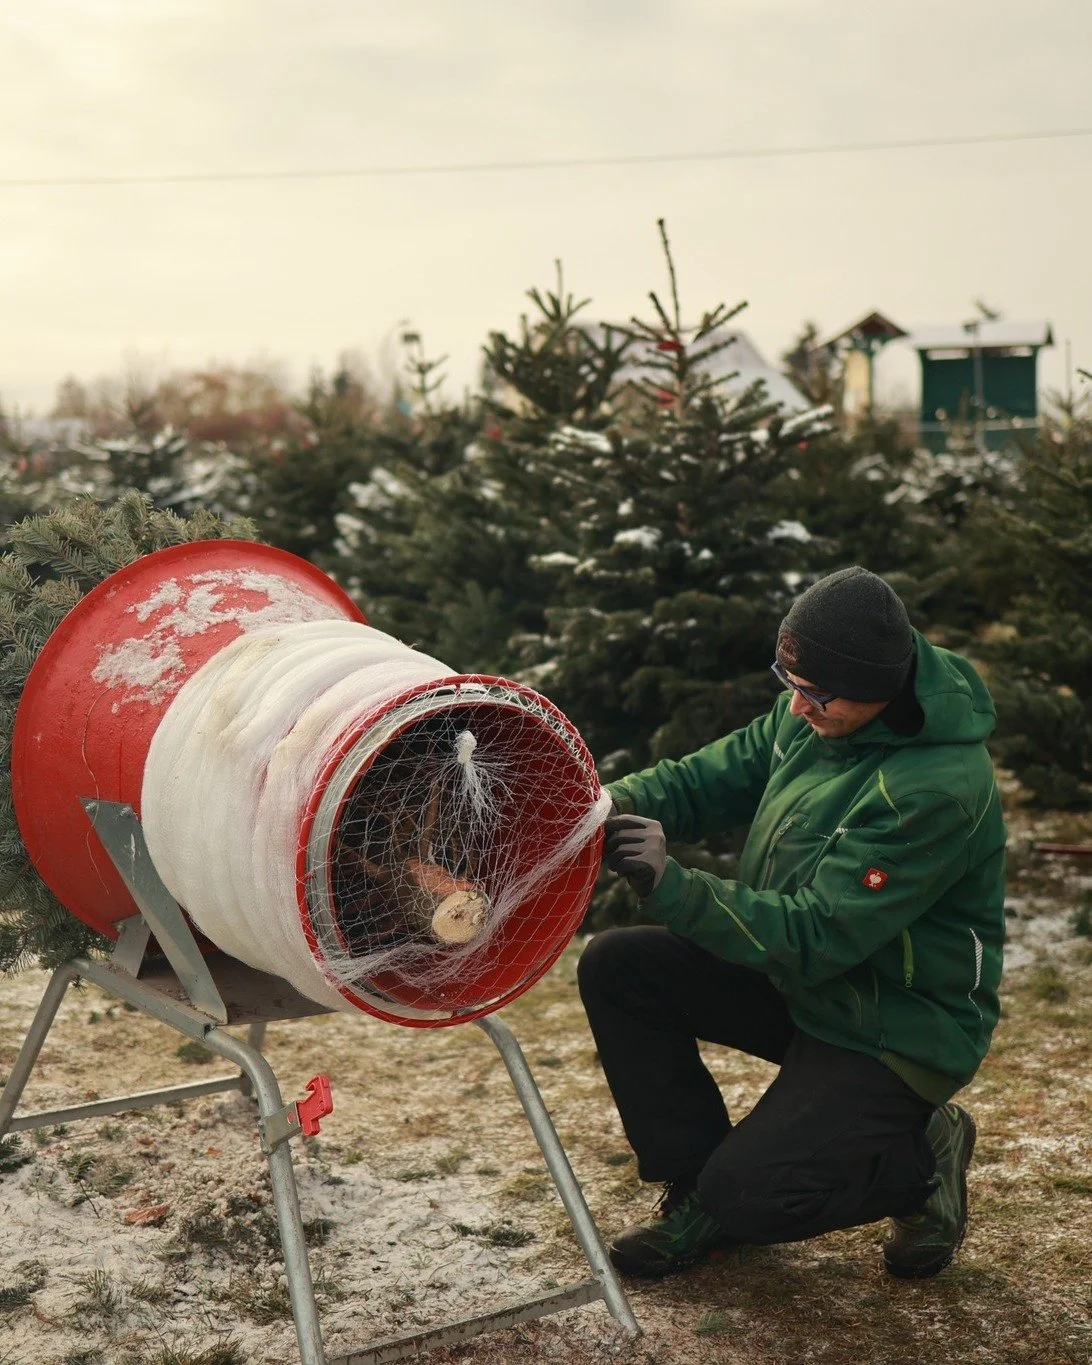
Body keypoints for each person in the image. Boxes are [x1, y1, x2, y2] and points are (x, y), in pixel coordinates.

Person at [578, 566, 1005, 1281]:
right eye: (789, 680)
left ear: (879, 686)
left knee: (755, 1195)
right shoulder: (816, 711)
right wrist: (596, 806)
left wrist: (673, 883)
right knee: (619, 966)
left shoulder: (935, 790)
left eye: (816, 693)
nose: (798, 706)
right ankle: (696, 1187)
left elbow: (818, 935)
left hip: (889, 1026)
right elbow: (704, 779)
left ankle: (921, 1157)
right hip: (801, 982)